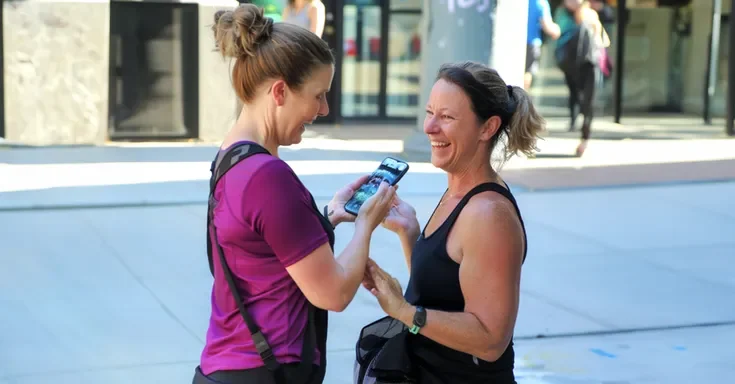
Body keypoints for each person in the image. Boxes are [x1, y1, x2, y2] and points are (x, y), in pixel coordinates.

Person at [193, 4, 396, 384]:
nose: (323, 109)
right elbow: (333, 293)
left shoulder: (230, 158)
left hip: (228, 365)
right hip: (265, 371)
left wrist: (329, 216)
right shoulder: (267, 177)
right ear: (281, 91)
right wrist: (366, 224)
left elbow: (263, 250)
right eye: (318, 95)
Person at [353, 61, 544, 384]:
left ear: (487, 128)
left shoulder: (488, 215)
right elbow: (447, 292)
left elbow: (490, 340)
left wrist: (403, 312)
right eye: (430, 113)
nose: (429, 127)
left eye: (447, 117)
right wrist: (409, 232)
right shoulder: (458, 192)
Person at [553, 0, 610, 157]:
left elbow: (604, 39)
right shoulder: (565, 15)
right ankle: (580, 129)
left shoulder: (586, 16)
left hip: (584, 63)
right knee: (581, 98)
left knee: (584, 99)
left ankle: (582, 134)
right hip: (581, 63)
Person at [525, 0, 561, 91]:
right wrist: (558, 30)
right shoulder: (540, 2)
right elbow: (548, 27)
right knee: (526, 74)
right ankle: (520, 102)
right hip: (531, 43)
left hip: (514, 41)